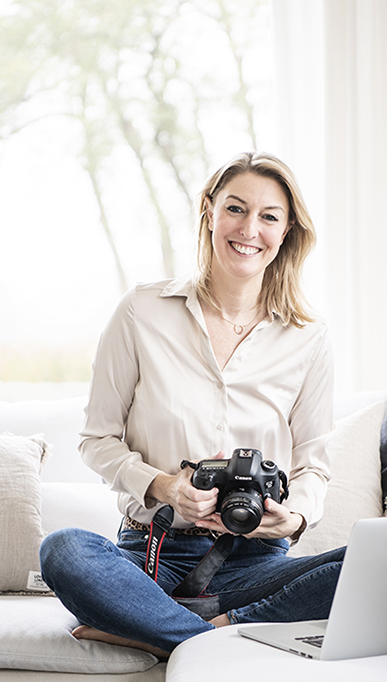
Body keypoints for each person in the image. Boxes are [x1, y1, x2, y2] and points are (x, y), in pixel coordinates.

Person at [39, 151, 345, 658]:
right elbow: (97, 440)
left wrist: (292, 520)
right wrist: (163, 486)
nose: (249, 229)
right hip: (151, 554)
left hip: (256, 560)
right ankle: (219, 639)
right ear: (209, 211)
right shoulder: (141, 311)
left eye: (269, 216)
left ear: (287, 231)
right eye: (235, 208)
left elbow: (313, 465)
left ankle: (161, 628)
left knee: (373, 563)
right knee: (64, 549)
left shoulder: (308, 337)